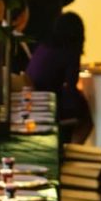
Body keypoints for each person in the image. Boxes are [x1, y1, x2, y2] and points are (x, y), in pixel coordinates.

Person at [25, 11, 92, 143]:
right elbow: (71, 85)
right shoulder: (69, 51)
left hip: (35, 99)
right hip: (48, 103)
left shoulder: (44, 46)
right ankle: (74, 150)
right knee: (87, 115)